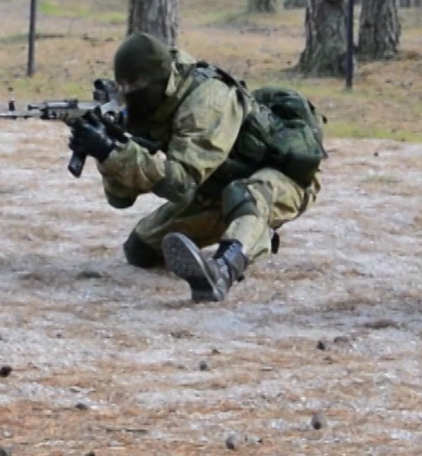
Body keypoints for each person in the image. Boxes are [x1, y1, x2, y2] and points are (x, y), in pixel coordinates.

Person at [75, 33, 325, 303]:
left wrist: (119, 152)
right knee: (140, 249)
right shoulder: (153, 104)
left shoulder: (207, 100)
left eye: (133, 85)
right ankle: (248, 228)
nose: (127, 93)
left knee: (244, 195)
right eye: (122, 85)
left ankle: (223, 269)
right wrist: (109, 152)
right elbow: (120, 199)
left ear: (159, 80)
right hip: (218, 189)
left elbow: (180, 183)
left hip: (282, 181)